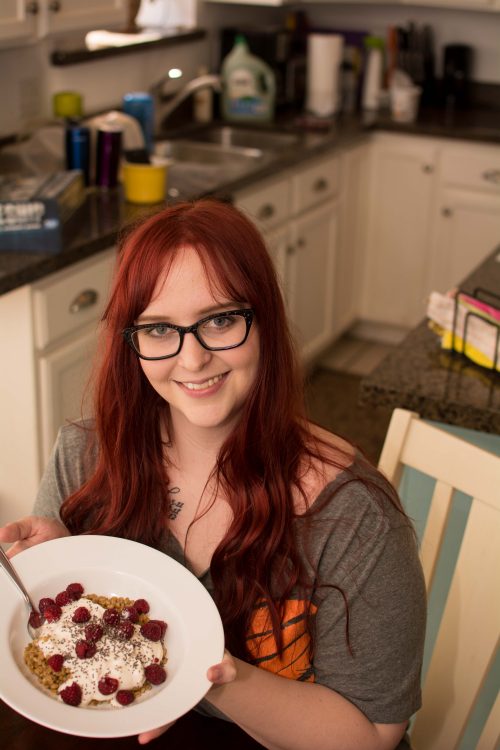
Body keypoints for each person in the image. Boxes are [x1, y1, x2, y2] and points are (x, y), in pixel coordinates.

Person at [0, 199, 426, 749]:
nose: (193, 359)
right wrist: (65, 564)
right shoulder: (86, 456)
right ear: (130, 342)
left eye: (221, 320)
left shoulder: (353, 516)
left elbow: (373, 735)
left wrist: (216, 677)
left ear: (264, 319)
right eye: (158, 329)